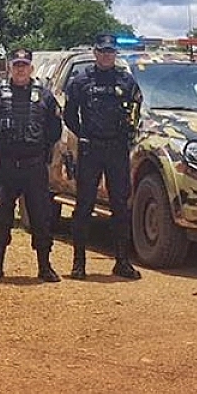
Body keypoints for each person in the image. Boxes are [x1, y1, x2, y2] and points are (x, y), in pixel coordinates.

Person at [63, 33, 143, 280]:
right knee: (84, 205)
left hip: (117, 149)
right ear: (95, 52)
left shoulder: (126, 81)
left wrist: (129, 132)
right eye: (102, 51)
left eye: (110, 51)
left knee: (120, 205)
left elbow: (136, 110)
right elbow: (69, 114)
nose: (106, 55)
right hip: (91, 150)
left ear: (114, 54)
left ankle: (122, 261)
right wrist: (83, 135)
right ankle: (79, 264)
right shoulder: (81, 80)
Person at [0, 48, 64, 282]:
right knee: (1, 216)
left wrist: (38, 149)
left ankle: (44, 266)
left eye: (24, 65)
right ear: (10, 67)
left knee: (40, 216)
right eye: (16, 65)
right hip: (7, 166)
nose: (20, 69)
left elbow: (54, 130)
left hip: (34, 166)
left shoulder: (45, 97)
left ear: (31, 68)